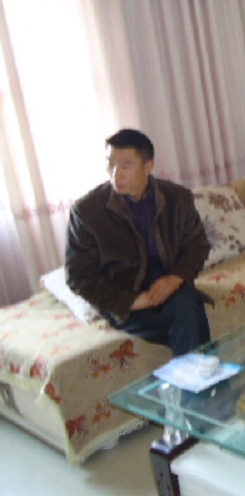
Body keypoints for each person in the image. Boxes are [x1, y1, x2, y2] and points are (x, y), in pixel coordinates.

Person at [65, 129, 212, 356]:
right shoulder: (87, 212)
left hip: (170, 291)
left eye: (125, 166)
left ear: (148, 166)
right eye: (110, 165)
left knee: (187, 306)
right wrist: (132, 301)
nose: (116, 174)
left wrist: (175, 278)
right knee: (190, 322)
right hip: (123, 301)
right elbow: (78, 276)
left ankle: (196, 371)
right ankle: (204, 372)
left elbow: (197, 245)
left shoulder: (177, 198)